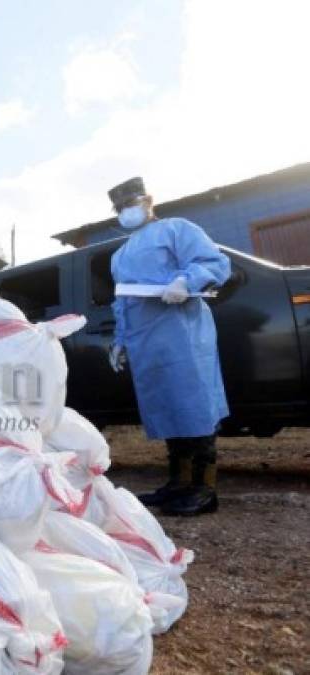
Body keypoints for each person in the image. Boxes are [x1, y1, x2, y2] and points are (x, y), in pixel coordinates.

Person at [107, 177, 231, 516]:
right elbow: (123, 302)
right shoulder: (119, 255)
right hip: (147, 342)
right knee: (169, 408)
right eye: (120, 208)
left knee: (195, 405)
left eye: (131, 204)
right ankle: (179, 483)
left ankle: (205, 489)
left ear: (147, 202)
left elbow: (214, 262)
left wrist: (185, 280)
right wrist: (119, 342)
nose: (126, 212)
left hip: (183, 335)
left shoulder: (177, 229)